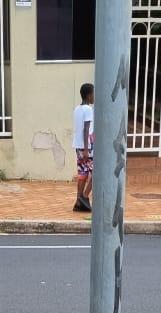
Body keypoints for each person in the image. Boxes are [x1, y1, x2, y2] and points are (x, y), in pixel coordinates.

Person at [72, 82, 94, 214]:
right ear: (89, 95)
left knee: (82, 174)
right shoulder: (88, 110)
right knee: (97, 174)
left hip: (78, 145)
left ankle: (78, 202)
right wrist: (87, 148)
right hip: (87, 147)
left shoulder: (77, 109)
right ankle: (84, 197)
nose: (94, 96)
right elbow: (86, 129)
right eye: (93, 93)